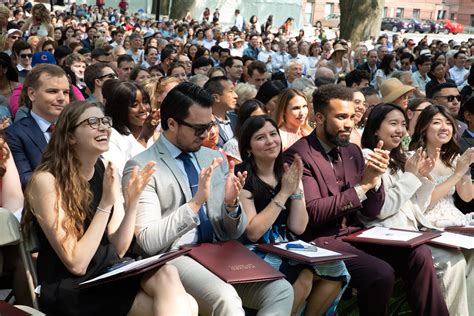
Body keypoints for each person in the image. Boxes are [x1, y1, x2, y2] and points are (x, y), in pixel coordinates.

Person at [122, 82, 294, 315]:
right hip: (174, 257)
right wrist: (194, 204)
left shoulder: (213, 157)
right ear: (171, 123)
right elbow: (148, 243)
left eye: (209, 125)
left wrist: (231, 206)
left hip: (219, 251)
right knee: (226, 299)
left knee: (281, 290)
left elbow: (233, 232)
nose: (207, 134)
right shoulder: (142, 166)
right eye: (198, 128)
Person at [284, 84, 449, 315]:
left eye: (352, 117)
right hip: (319, 240)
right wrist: (364, 186)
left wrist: (375, 180)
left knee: (419, 253)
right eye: (341, 117)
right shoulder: (299, 154)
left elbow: (372, 210)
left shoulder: (352, 150)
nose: (349, 124)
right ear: (319, 118)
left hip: (358, 234)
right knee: (380, 273)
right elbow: (314, 213)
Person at [21, 100, 197, 316]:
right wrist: (105, 204)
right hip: (73, 286)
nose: (104, 127)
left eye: (105, 121)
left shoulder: (102, 167)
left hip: (108, 273)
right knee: (187, 304)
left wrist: (132, 204)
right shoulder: (46, 181)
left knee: (168, 273)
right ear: (70, 136)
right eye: (93, 122)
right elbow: (76, 264)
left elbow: (119, 248)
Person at [361, 103, 473, 316]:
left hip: (416, 229)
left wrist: (422, 176)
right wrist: (414, 176)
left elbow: (416, 206)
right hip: (391, 234)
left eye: (403, 124)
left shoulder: (401, 157)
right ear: (375, 128)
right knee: (453, 262)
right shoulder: (370, 156)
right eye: (393, 124)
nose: (400, 130)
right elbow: (383, 209)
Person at [237, 115, 350, 315]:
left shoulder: (286, 172)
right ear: (248, 148)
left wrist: (297, 189)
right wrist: (284, 193)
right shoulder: (242, 176)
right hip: (252, 249)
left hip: (286, 244)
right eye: (260, 138)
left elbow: (298, 227)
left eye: (273, 134)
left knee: (336, 269)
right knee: (303, 277)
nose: (270, 141)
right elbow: (253, 232)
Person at [5, 64, 70, 188]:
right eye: (53, 91)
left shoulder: (76, 129)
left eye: (66, 92)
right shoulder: (13, 134)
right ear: (32, 94)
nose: (62, 98)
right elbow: (24, 180)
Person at [409, 105, 474, 228]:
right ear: (424, 128)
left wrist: (466, 167)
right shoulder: (414, 158)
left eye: (449, 123)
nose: (444, 128)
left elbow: (466, 197)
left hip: (455, 219)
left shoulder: (453, 159)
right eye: (437, 122)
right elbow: (427, 201)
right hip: (428, 222)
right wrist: (457, 174)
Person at [102, 81, 157, 177]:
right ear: (119, 109)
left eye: (145, 102)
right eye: (135, 105)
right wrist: (143, 139)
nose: (143, 109)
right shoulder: (111, 137)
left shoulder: (153, 131)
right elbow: (125, 176)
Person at [203, 76, 238, 148]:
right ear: (216, 97)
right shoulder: (204, 123)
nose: (236, 96)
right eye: (231, 91)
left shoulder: (236, 119)